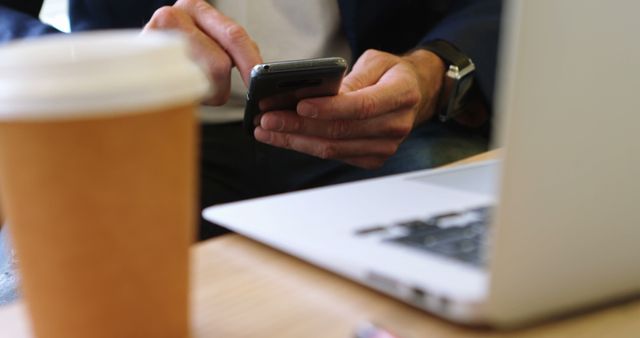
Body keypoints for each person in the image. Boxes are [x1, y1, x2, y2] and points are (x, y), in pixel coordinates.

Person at [0, 0, 501, 233]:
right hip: (148, 132)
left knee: (488, 251)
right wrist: (116, 62)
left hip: (380, 125)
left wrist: (436, 70)